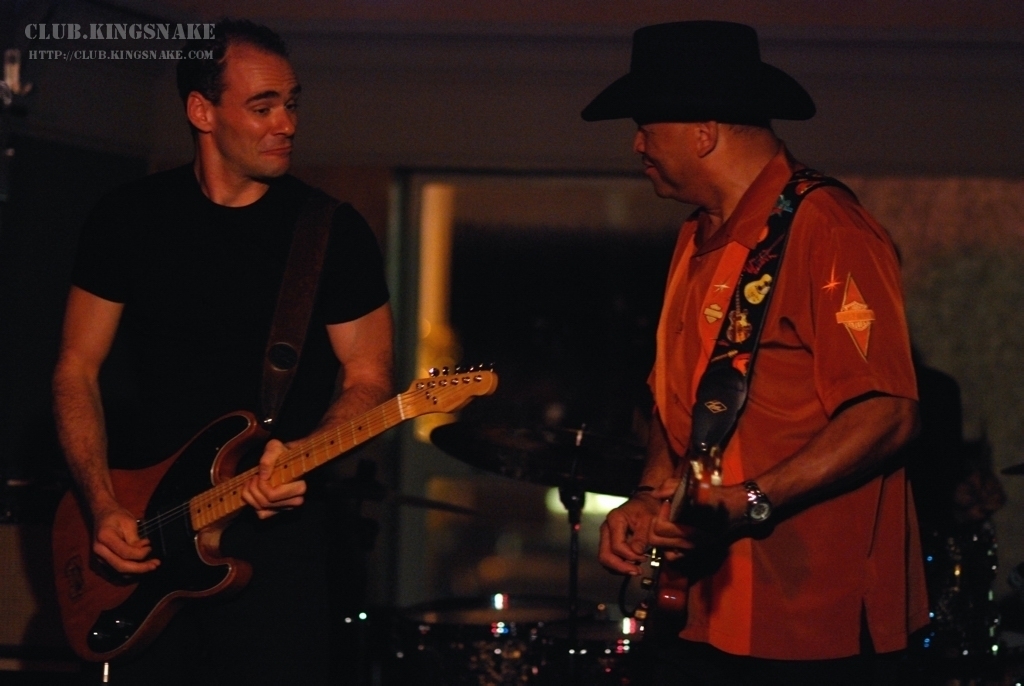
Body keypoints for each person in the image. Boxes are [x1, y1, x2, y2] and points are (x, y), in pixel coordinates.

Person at [583, 21, 928, 685]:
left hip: (812, 621)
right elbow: (676, 402)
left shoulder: (830, 229)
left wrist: (749, 502)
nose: (636, 145)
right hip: (701, 605)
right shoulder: (695, 235)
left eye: (646, 128)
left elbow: (888, 413)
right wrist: (649, 496)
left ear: (703, 133)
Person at [51, 19, 393, 685]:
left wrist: (304, 450)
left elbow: (371, 376)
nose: (286, 124)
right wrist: (101, 504)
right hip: (145, 535)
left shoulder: (332, 233)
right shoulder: (126, 218)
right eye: (263, 107)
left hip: (277, 545)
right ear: (201, 111)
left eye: (291, 103)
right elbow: (75, 368)